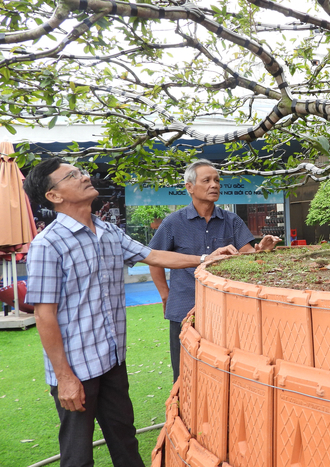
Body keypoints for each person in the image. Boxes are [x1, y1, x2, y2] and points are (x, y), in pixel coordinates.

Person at [23, 158, 233, 467]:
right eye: (72, 175)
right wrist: (64, 377)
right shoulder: (48, 244)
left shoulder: (108, 232)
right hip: (76, 369)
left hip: (112, 362)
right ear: (54, 196)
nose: (85, 176)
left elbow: (155, 255)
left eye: (82, 171)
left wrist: (205, 257)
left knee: (125, 440)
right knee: (77, 455)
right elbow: (44, 315)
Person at [149, 159, 280, 381]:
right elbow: (154, 259)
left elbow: (246, 256)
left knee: (223, 372)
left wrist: (262, 251)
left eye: (217, 180)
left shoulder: (232, 220)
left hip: (225, 310)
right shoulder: (173, 222)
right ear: (189, 187)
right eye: (207, 180)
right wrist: (165, 295)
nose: (214, 185)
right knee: (184, 372)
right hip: (184, 308)